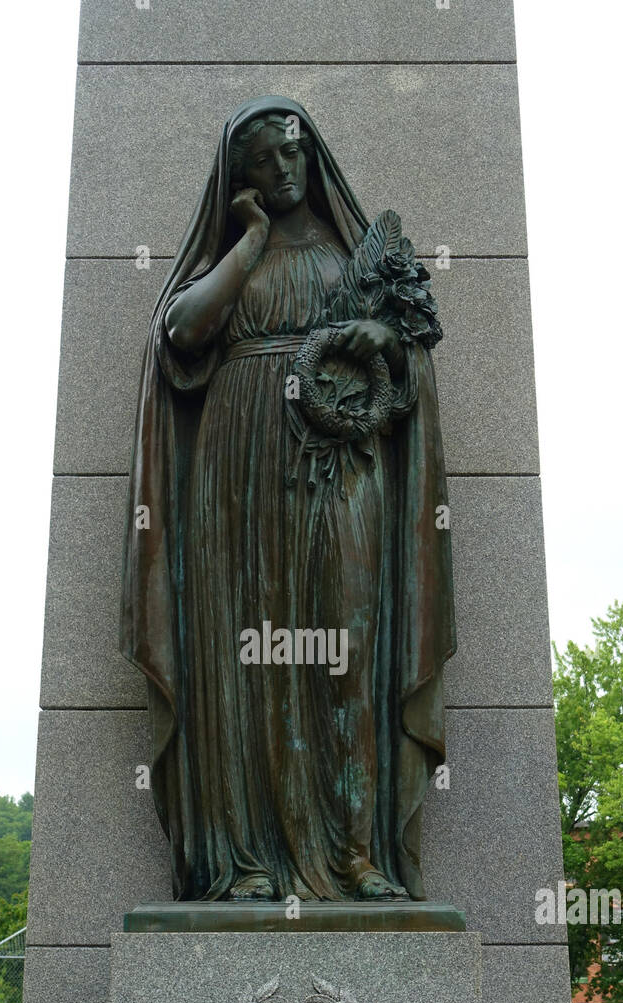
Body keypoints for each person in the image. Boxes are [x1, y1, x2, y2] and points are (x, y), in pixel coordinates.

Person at [121, 97, 455, 902]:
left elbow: (411, 376)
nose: (284, 169)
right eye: (266, 160)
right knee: (243, 657)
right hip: (235, 471)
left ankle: (356, 852)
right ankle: (243, 860)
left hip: (340, 462)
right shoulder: (232, 253)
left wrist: (384, 344)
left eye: (294, 152)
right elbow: (184, 334)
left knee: (346, 644)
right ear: (239, 177)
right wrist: (253, 239)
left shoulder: (355, 260)